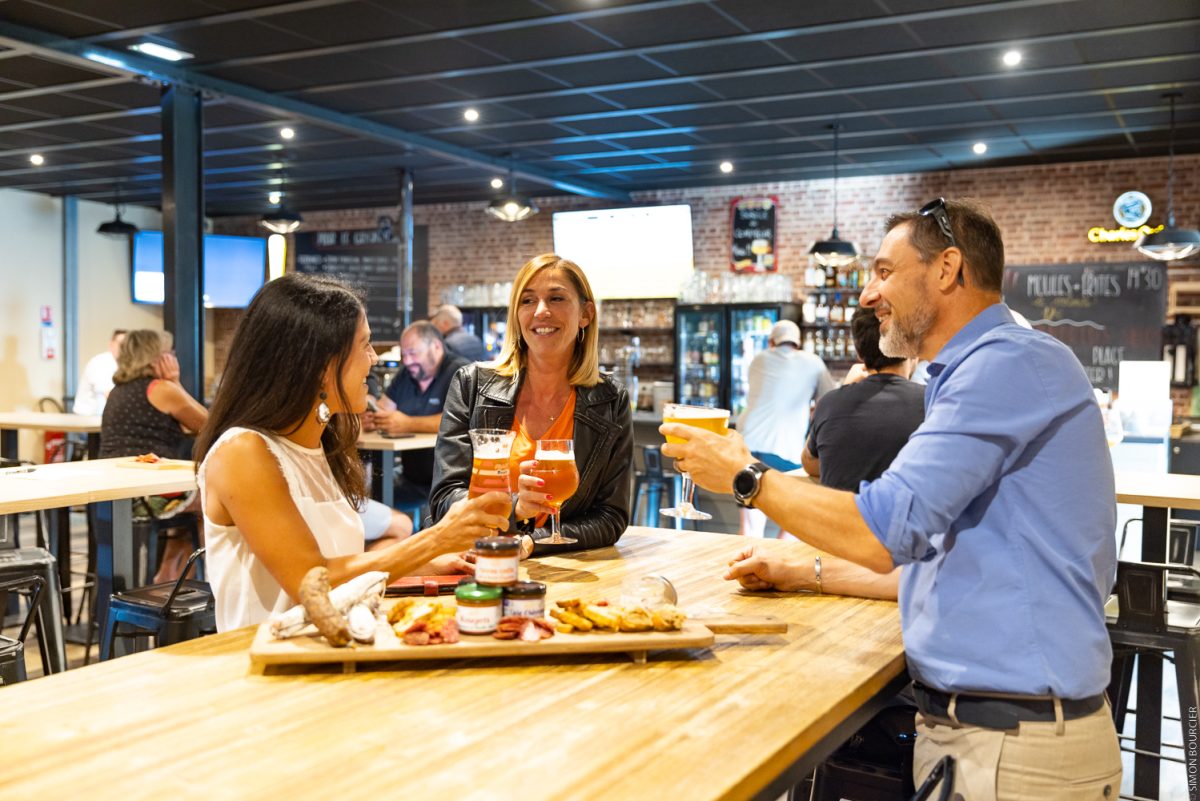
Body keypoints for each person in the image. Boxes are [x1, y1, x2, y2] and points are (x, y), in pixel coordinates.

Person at [664, 199, 1121, 799]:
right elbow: (931, 563)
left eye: (882, 271)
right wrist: (801, 571)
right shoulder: (976, 369)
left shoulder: (1006, 363)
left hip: (1013, 751)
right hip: (995, 738)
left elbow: (885, 532)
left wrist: (747, 477)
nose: (866, 295)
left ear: (947, 269)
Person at [194, 274, 511, 632]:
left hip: (335, 653)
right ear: (319, 364)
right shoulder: (244, 452)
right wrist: (434, 539)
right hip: (266, 667)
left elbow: (339, 563)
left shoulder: (320, 446)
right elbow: (310, 583)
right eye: (365, 345)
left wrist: (426, 563)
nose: (374, 359)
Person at [430, 253, 633, 553]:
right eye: (527, 301)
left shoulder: (610, 399)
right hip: (470, 559)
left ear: (586, 314)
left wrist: (530, 543)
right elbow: (445, 497)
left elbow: (611, 517)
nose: (541, 311)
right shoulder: (472, 384)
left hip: (565, 573)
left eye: (556, 298)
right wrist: (515, 508)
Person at [99, 329, 208, 582]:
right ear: (155, 357)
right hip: (148, 494)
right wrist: (176, 382)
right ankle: (184, 583)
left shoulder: (118, 391)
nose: (172, 356)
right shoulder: (160, 389)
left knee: (192, 509)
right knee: (217, 498)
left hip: (117, 491)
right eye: (168, 353)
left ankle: (170, 575)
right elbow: (210, 424)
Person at [802, 306, 924, 492]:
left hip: (835, 519)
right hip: (900, 520)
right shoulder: (931, 402)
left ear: (859, 353)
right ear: (911, 349)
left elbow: (810, 464)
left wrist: (844, 389)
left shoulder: (830, 403)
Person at [364, 321, 470, 509]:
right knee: (364, 499)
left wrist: (408, 424)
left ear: (436, 346)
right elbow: (383, 407)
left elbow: (463, 421)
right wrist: (374, 418)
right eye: (404, 355)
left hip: (450, 485)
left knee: (377, 504)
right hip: (409, 477)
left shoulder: (461, 372)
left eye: (413, 353)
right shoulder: (407, 374)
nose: (407, 360)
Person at [739, 319, 833, 473]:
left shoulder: (758, 359)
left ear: (771, 342)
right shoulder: (813, 362)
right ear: (798, 342)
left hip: (746, 441)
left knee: (748, 494)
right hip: (781, 448)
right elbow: (829, 402)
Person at [74, 329, 126, 415]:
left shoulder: (122, 364)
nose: (124, 347)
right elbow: (110, 395)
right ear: (111, 344)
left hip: (102, 418)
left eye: (127, 344)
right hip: (87, 419)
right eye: (121, 343)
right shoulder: (101, 362)